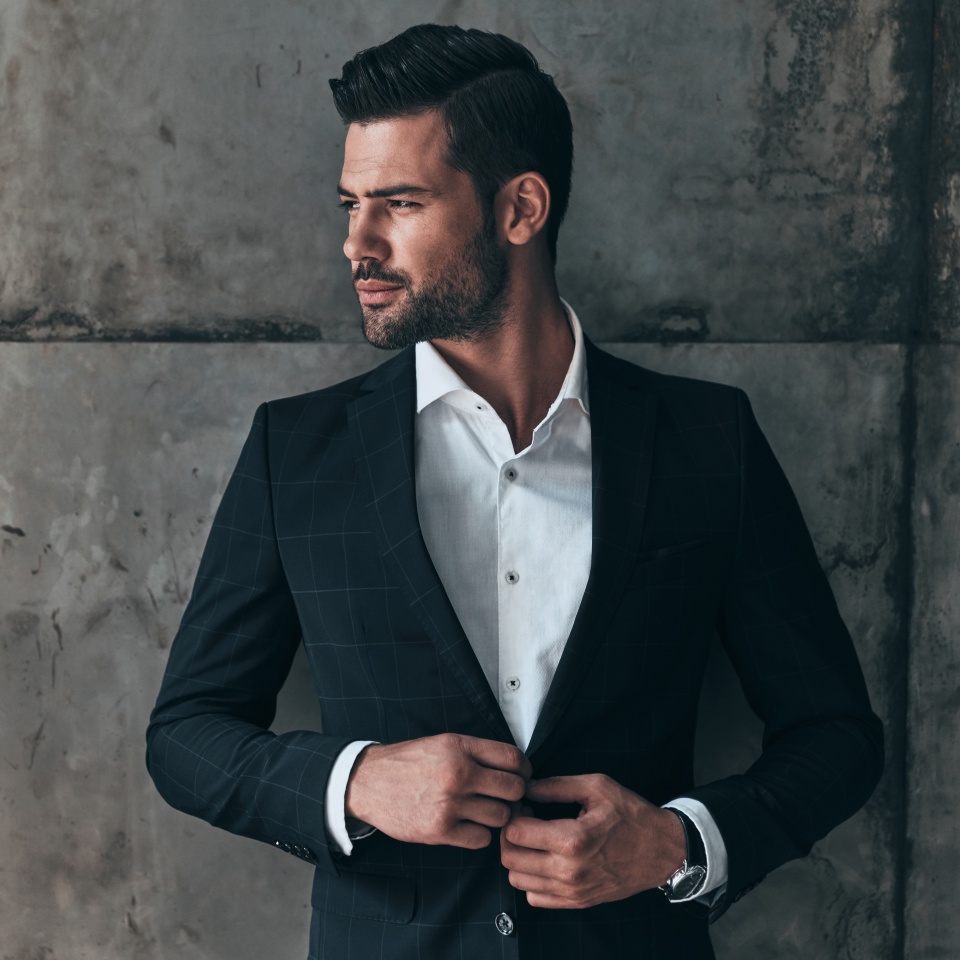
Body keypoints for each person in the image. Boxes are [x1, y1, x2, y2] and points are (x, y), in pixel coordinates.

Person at [146, 23, 883, 959]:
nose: (355, 244)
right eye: (350, 204)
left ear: (520, 209)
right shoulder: (297, 453)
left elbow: (837, 737)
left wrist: (676, 844)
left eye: (399, 203)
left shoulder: (706, 442)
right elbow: (186, 735)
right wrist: (357, 781)